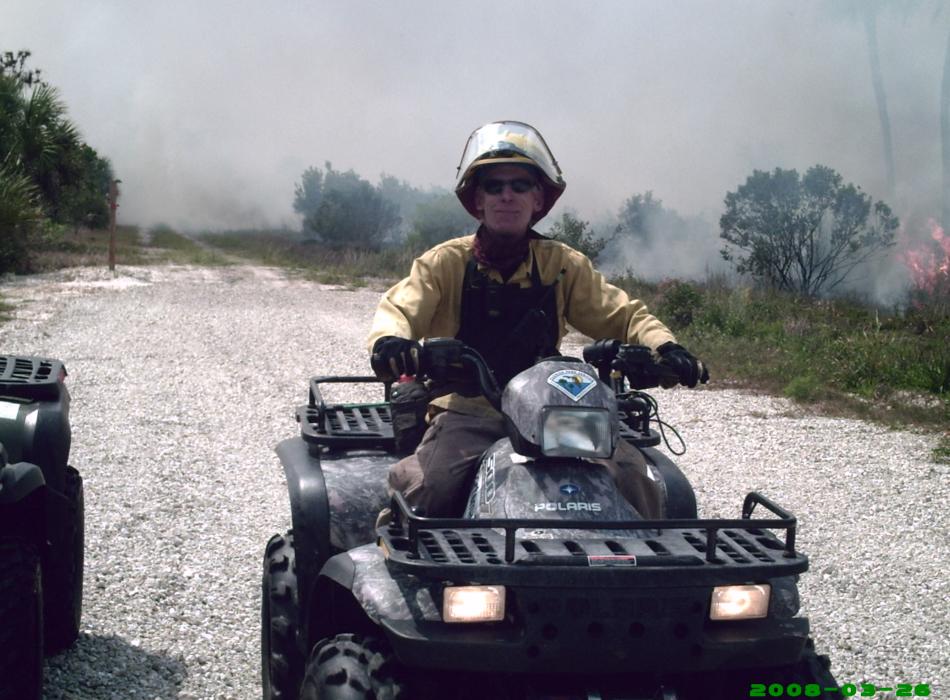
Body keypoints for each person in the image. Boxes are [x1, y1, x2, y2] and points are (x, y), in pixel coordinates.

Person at [367, 120, 707, 518]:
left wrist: (665, 348)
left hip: (554, 411)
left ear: (538, 200)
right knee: (427, 488)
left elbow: (622, 314)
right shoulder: (445, 263)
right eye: (494, 186)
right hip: (473, 411)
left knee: (638, 482)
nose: (506, 196)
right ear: (478, 200)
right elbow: (401, 308)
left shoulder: (562, 265)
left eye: (519, 185)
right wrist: (392, 344)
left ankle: (645, 574)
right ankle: (399, 567)